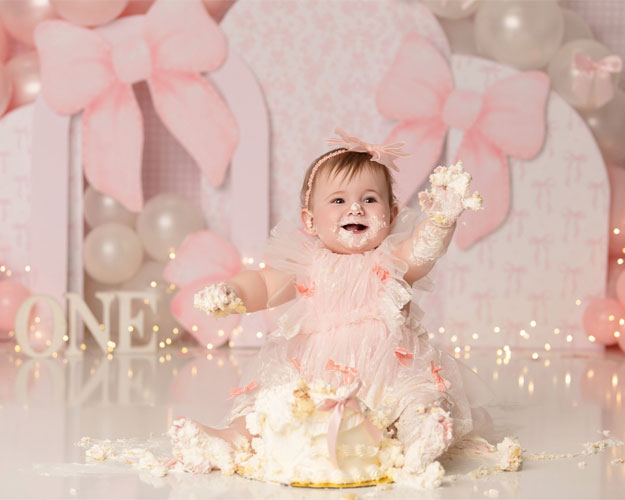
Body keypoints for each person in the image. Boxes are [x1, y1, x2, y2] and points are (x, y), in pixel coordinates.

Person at [170, 127, 486, 476]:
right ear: (310, 221)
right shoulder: (307, 264)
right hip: (314, 370)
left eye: (370, 199)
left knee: (419, 398)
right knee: (268, 406)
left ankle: (419, 441)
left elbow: (423, 252)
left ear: (393, 214)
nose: (356, 208)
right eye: (338, 201)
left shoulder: (393, 259)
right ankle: (229, 440)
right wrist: (234, 292)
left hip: (387, 367)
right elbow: (263, 282)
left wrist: (441, 221)